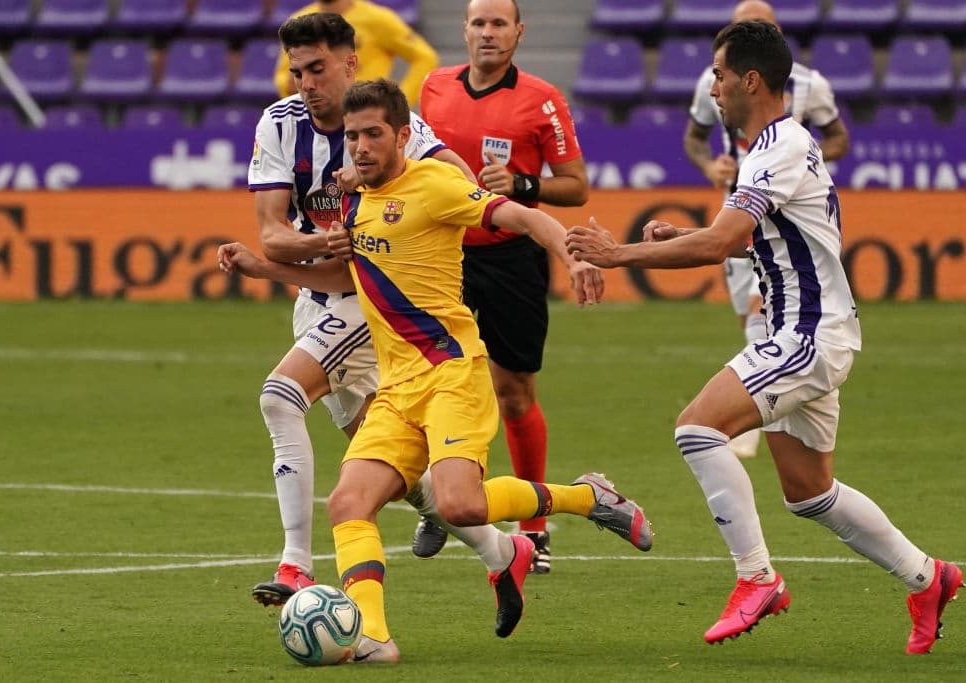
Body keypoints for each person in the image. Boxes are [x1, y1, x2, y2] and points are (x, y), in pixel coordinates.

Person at [221, 78, 652, 663]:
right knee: (348, 504)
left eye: (374, 134)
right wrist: (263, 271)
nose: (362, 147)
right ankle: (373, 637)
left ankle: (585, 496)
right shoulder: (352, 201)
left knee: (462, 507)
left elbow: (522, 217)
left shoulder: (438, 185)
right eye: (352, 137)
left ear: (403, 135)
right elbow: (354, 278)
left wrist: (571, 256)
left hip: (451, 371)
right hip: (397, 387)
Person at [567, 21, 960, 653]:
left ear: (751, 80)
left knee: (696, 428)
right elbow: (775, 243)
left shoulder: (777, 146)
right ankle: (928, 576)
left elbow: (723, 238)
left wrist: (617, 255)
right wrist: (682, 245)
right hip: (812, 329)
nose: (713, 87)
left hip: (807, 333)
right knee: (811, 494)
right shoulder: (776, 146)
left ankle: (757, 578)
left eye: (719, 75)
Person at [246, 13, 539, 640]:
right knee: (392, 475)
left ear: (352, 62)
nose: (304, 84)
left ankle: (296, 564)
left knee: (280, 396)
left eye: (317, 69)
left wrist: (396, 225)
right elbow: (271, 232)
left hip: (374, 298)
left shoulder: (396, 130)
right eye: (295, 71)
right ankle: (501, 553)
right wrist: (322, 242)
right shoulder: (280, 123)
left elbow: (455, 184)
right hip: (321, 291)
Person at [409, 0, 591, 573]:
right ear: (464, 31)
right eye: (479, 23)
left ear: (519, 32)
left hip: (512, 258)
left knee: (513, 393)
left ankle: (533, 527)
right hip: (440, 257)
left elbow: (576, 187)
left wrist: (522, 183)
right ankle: (437, 504)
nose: (488, 33)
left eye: (499, 24)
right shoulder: (433, 88)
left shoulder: (542, 99)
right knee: (433, 386)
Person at [683, 0, 850, 458]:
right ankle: (758, 400)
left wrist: (803, 165)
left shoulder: (807, 91)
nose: (719, 84)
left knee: (768, 300)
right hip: (739, 201)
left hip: (781, 199)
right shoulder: (709, 82)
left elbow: (838, 137)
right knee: (753, 312)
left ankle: (750, 409)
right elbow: (694, 139)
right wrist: (709, 165)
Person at [273, 0, 438, 107]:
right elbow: (283, 74)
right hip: (320, 113)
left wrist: (399, 100)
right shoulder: (300, 21)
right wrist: (287, 86)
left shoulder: (377, 19)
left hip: (366, 111)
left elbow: (425, 57)